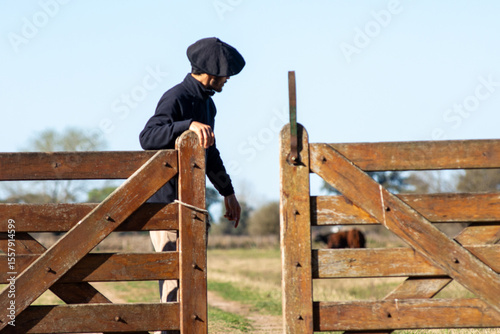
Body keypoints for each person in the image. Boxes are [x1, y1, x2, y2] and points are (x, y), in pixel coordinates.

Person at [139, 37, 244, 334]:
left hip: (193, 205)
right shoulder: (176, 97)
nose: (227, 80)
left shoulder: (208, 105)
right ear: (212, 71)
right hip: (167, 207)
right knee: (173, 281)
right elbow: (148, 137)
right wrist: (187, 126)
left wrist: (228, 193)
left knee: (193, 277)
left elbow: (210, 155)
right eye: (226, 74)